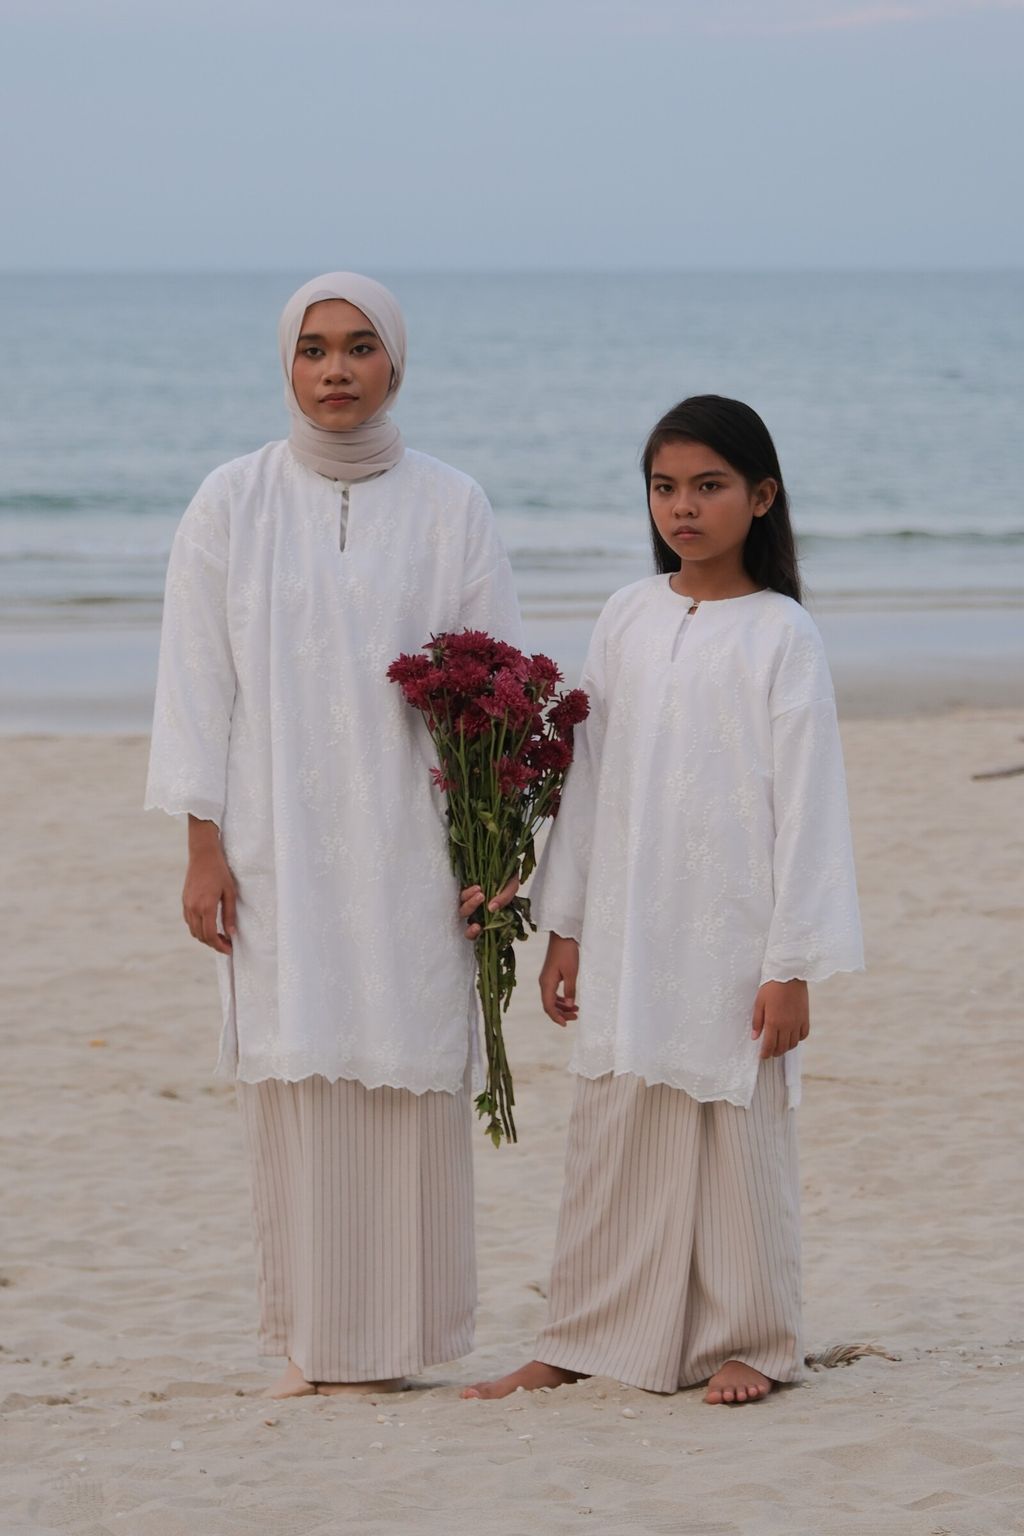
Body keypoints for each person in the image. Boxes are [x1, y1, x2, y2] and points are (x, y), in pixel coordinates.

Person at [145, 272, 521, 1398]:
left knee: (408, 1066)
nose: (336, 369)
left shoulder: (453, 503)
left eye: (360, 347)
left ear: (396, 363)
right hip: (279, 843)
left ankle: (401, 1342)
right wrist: (203, 845)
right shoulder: (233, 500)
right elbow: (194, 683)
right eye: (313, 349)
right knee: (299, 1068)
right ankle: (314, 1344)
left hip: (416, 839)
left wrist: (493, 856)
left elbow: (497, 684)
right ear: (287, 365)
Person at [464, 395, 863, 1406]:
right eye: (664, 487)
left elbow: (809, 806)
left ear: (761, 497)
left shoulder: (783, 634)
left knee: (735, 1131)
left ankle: (753, 1341)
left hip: (735, 928)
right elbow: (587, 777)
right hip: (632, 923)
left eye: (708, 486)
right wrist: (564, 925)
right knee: (614, 1131)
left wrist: (792, 965)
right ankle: (582, 1334)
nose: (682, 507)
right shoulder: (628, 614)